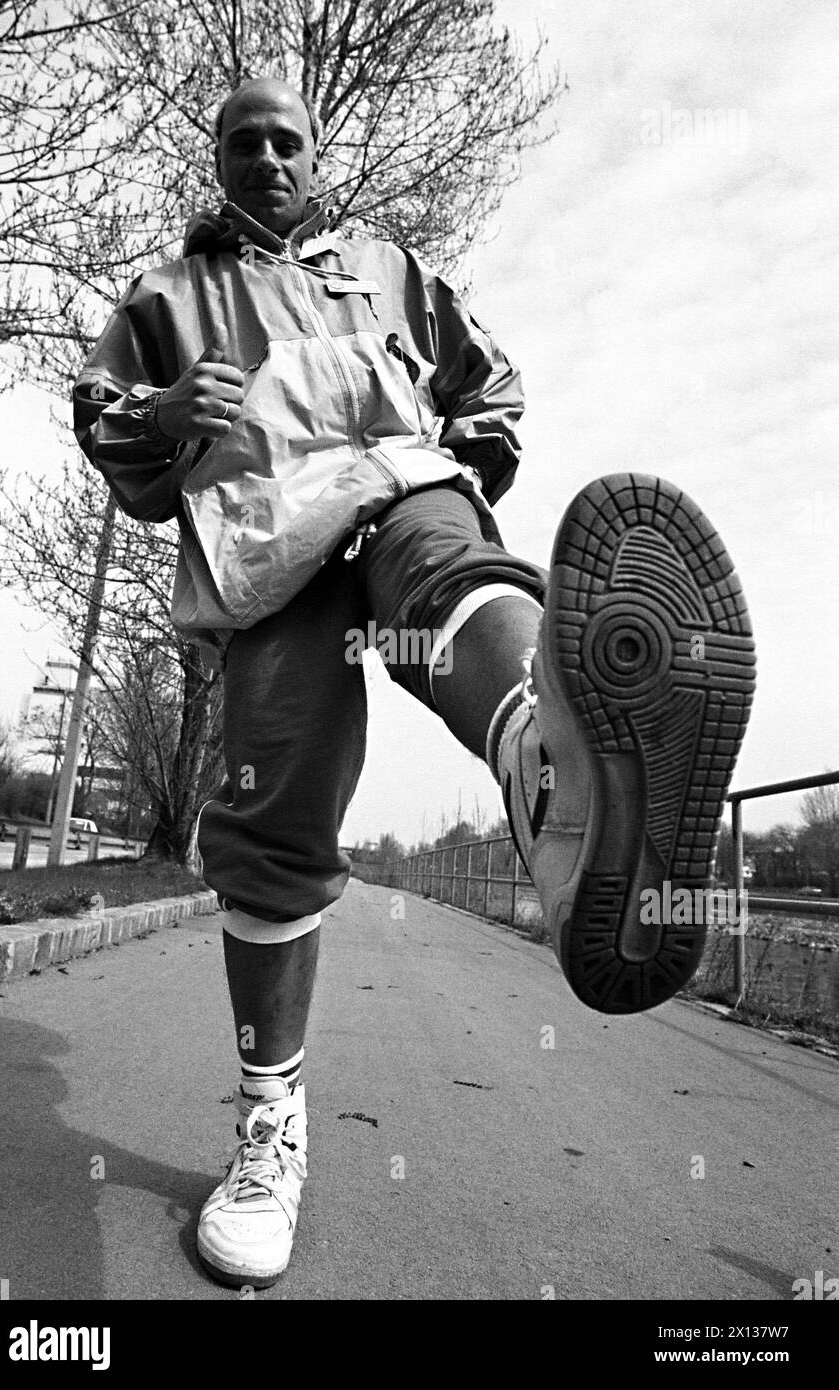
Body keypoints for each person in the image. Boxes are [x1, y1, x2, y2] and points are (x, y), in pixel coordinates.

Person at [73, 77, 756, 1291]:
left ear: (316, 157)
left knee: (450, 566)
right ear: (220, 158)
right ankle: (268, 1128)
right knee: (275, 802)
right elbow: (103, 417)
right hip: (267, 539)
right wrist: (168, 412)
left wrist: (458, 448)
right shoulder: (168, 295)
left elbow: (489, 382)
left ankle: (555, 772)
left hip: (393, 487)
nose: (270, 158)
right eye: (247, 142)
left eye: (289, 141)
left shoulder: (387, 267)